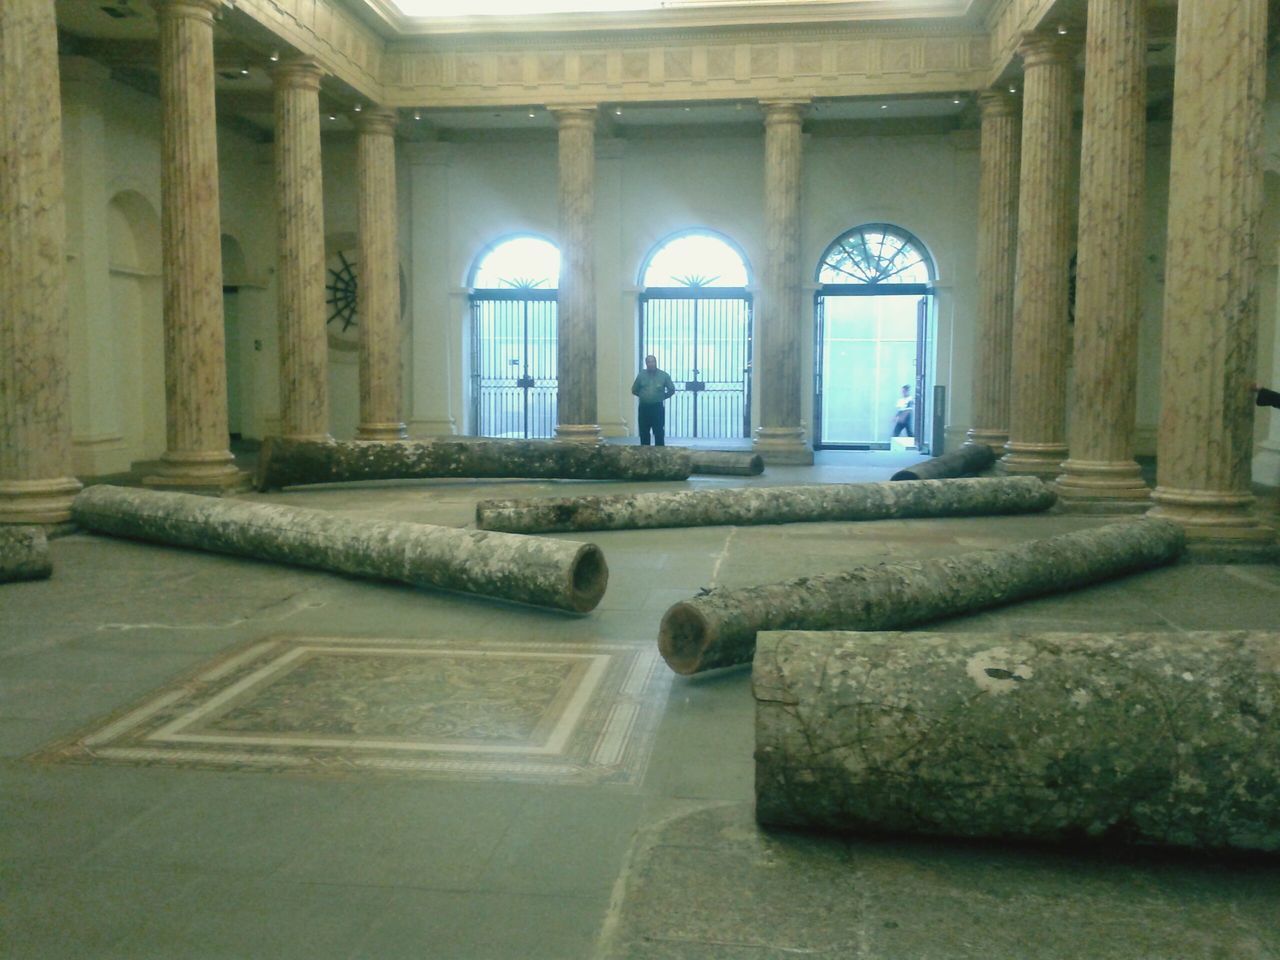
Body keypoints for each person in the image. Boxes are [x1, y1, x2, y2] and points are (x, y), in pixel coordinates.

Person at [631, 354, 677, 446]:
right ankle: (644, 454)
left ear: (656, 362)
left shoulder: (663, 375)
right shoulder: (641, 375)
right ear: (646, 363)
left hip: (657, 408)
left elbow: (671, 389)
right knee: (644, 432)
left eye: (653, 361)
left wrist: (662, 397)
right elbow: (634, 390)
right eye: (649, 362)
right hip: (644, 408)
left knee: (659, 431)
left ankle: (660, 453)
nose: (651, 364)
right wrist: (643, 396)